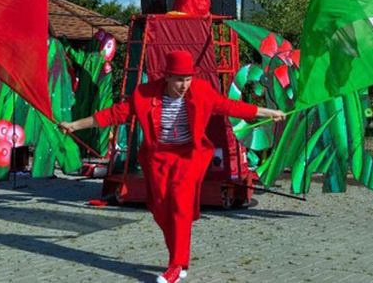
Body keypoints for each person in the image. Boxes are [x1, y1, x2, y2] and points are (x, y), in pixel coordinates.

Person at [59, 50, 285, 283]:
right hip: (158, 159)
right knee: (160, 209)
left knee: (180, 205)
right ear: (167, 76)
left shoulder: (201, 92)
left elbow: (231, 107)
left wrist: (269, 112)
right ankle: (177, 259)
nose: (184, 85)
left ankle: (177, 265)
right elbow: (113, 114)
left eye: (188, 79)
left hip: (188, 158)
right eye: (179, 79)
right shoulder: (144, 95)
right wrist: (75, 125)